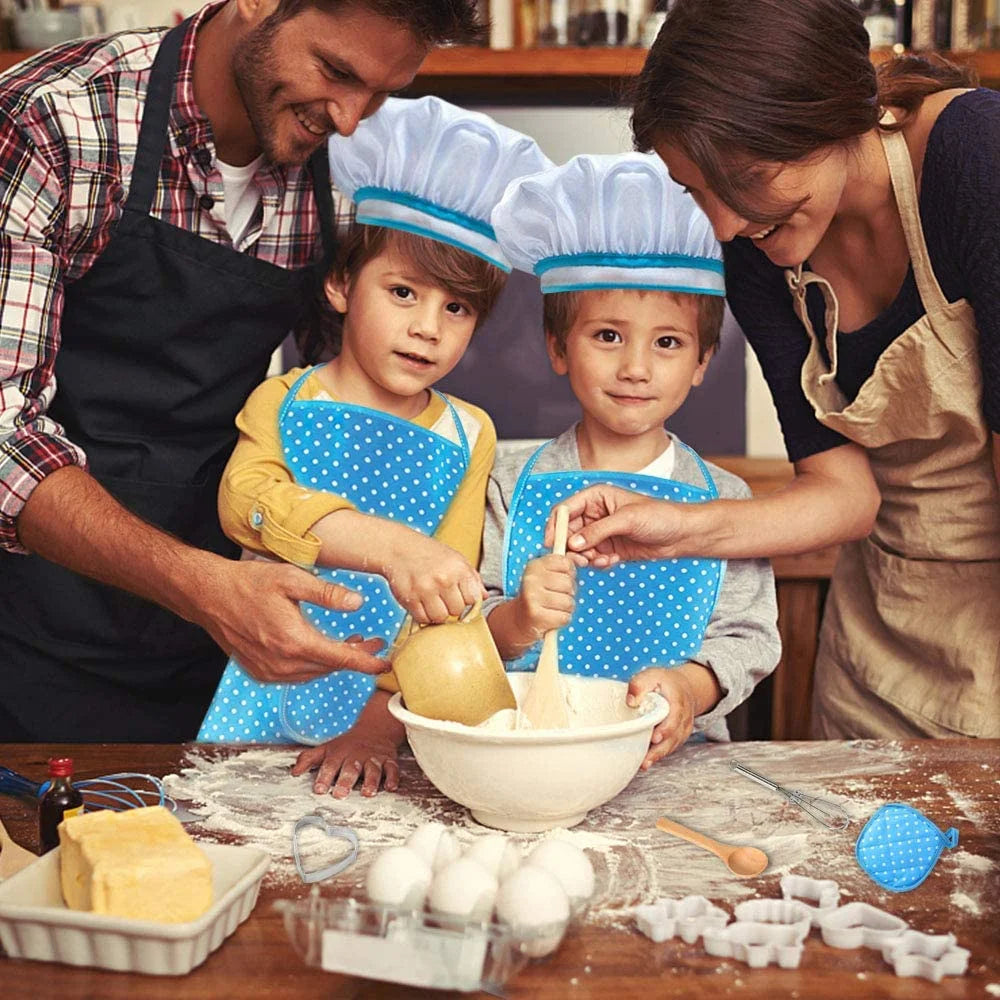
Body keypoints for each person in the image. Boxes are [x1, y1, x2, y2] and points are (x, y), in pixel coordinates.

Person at [0, 0, 486, 741]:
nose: (352, 119)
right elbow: (3, 436)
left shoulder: (343, 172)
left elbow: (353, 397)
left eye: (380, 95)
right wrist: (205, 588)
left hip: (238, 642)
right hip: (34, 637)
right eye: (336, 71)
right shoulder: (58, 124)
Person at [559, 0, 1000, 739]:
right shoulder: (758, 246)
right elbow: (844, 495)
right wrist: (676, 527)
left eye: (749, 178)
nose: (725, 225)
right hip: (875, 642)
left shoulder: (976, 155)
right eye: (696, 191)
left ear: (828, 118)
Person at [198, 96, 552, 797]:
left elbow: (449, 605)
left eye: (457, 308)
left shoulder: (467, 433)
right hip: (261, 698)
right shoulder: (287, 400)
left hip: (391, 713)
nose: (428, 327)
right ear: (339, 285)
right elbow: (244, 503)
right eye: (402, 292)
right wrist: (377, 541)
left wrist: (379, 725)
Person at [485, 154, 780, 763]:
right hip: (531, 756)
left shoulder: (726, 502)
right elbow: (470, 624)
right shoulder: (511, 486)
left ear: (702, 362)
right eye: (608, 336)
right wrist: (517, 617)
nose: (636, 368)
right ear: (558, 346)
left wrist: (689, 691)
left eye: (667, 342)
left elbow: (747, 639)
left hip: (680, 761)